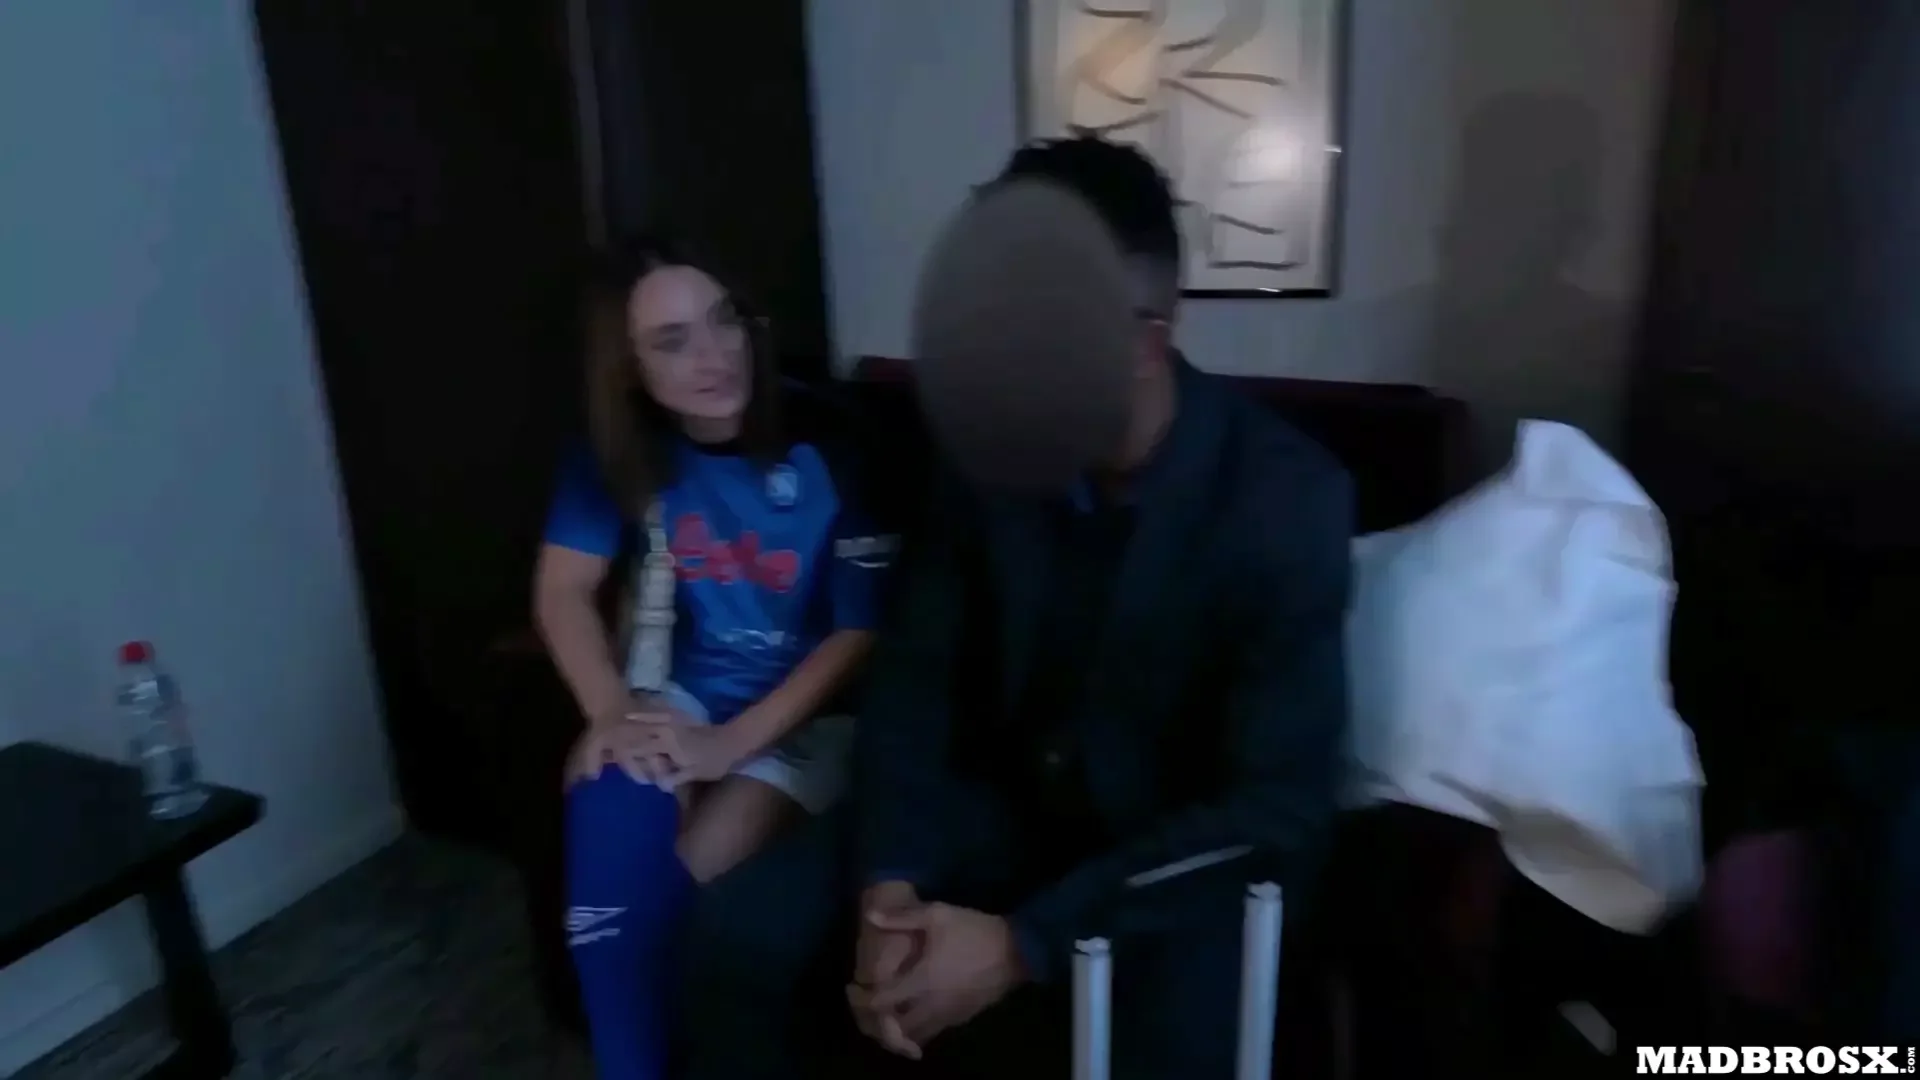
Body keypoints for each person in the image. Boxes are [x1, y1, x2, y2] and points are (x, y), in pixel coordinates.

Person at [679, 136, 1355, 1079]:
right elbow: (916, 684)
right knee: (738, 936)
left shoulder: (1284, 500)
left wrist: (1021, 944)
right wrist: (890, 885)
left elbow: (1275, 806)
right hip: (1000, 813)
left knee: (1169, 1033)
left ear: (1142, 342)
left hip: (1168, 856)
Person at [533, 236, 892, 1080]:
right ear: (628, 369)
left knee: (681, 879)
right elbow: (561, 590)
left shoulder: (837, 440)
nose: (714, 355)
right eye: (672, 341)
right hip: (685, 696)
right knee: (608, 809)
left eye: (724, 320)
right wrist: (611, 713)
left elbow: (858, 633)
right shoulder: (616, 452)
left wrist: (728, 748)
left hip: (814, 713)